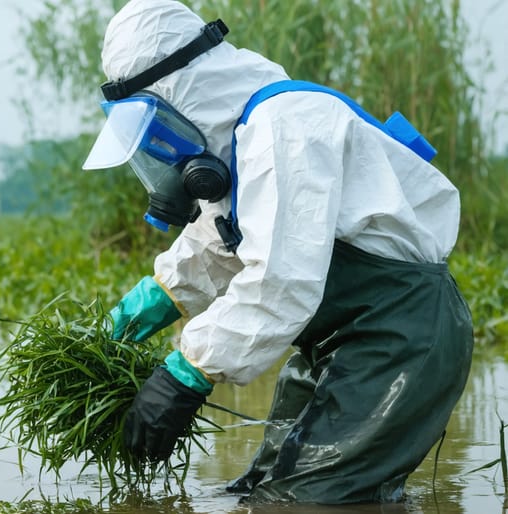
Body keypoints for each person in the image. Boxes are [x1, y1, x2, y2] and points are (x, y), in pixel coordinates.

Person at [82, 0, 475, 505]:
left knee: (307, 500)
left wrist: (186, 373)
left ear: (180, 91)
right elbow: (220, 239)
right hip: (335, 340)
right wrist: (151, 302)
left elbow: (281, 281)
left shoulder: (285, 129)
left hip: (399, 339)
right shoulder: (245, 137)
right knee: (262, 488)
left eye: (157, 128)